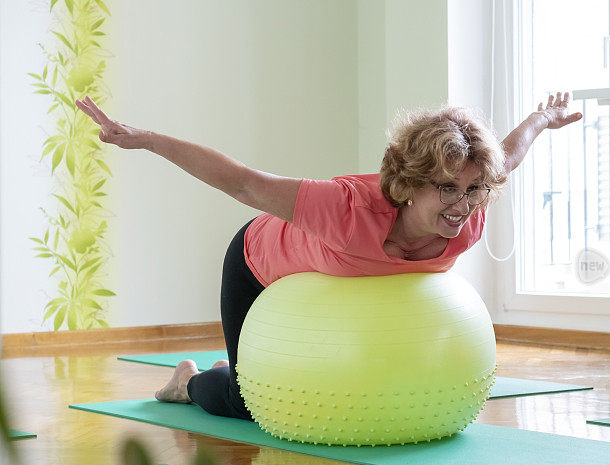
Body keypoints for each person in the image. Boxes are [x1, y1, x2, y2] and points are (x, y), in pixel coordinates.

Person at [75, 92, 582, 421]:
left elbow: (507, 156)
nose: (462, 205)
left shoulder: (471, 213)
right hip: (256, 265)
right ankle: (190, 381)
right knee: (246, 403)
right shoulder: (344, 208)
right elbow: (246, 184)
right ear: (408, 185)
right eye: (447, 188)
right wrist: (143, 140)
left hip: (326, 294)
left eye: (473, 189)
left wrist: (542, 117)